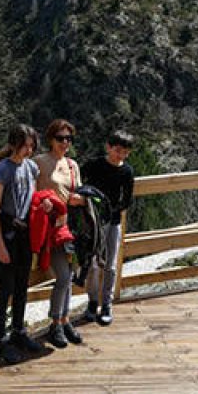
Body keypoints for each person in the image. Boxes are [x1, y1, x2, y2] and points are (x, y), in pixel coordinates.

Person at [0, 124, 45, 364]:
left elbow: (32, 199)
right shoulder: (4, 170)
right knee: (5, 288)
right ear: (13, 145)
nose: (28, 151)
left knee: (22, 284)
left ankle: (18, 331)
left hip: (24, 233)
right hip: (8, 233)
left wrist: (45, 205)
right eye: (24, 146)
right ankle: (0, 341)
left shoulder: (31, 168)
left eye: (31, 146)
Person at [32, 119, 85, 348]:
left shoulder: (73, 165)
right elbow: (31, 194)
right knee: (63, 276)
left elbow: (77, 192)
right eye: (60, 138)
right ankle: (56, 323)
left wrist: (80, 199)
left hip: (69, 227)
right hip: (49, 228)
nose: (65, 143)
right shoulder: (40, 162)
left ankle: (64, 320)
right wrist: (41, 204)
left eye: (68, 139)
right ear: (50, 139)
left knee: (70, 275)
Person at [80, 130, 135, 326]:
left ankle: (107, 304)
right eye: (118, 150)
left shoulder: (127, 172)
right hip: (93, 222)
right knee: (93, 263)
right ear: (108, 147)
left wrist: (112, 210)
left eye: (125, 152)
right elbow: (79, 181)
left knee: (110, 265)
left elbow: (127, 199)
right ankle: (92, 302)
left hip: (113, 222)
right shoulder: (95, 165)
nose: (121, 155)